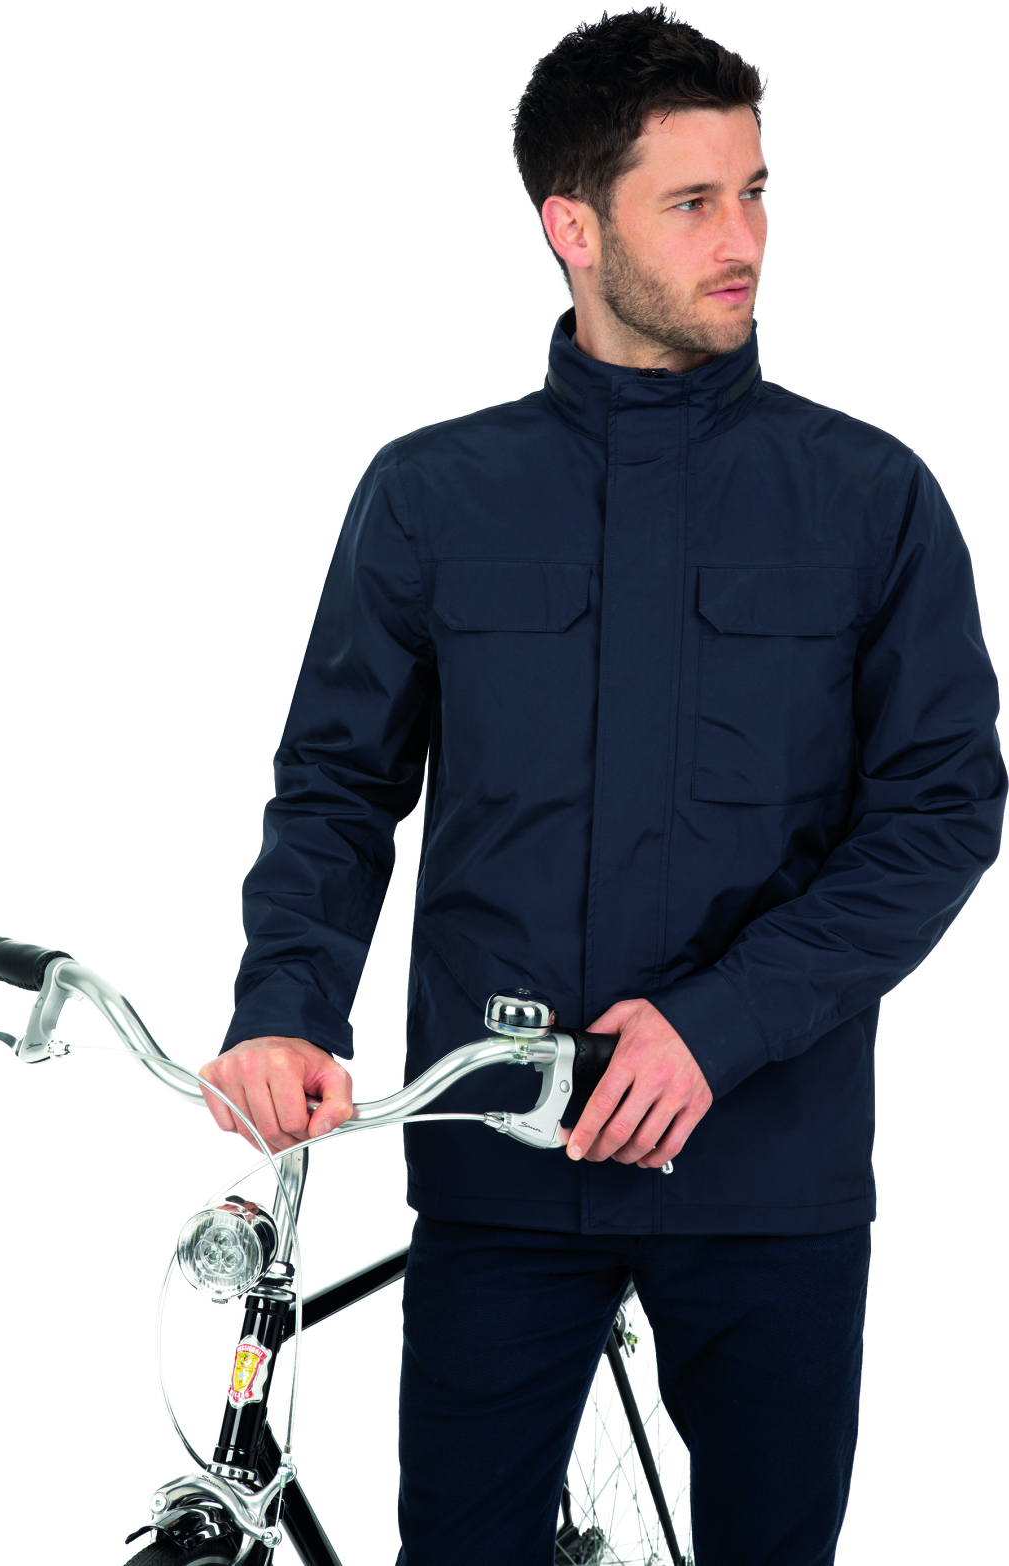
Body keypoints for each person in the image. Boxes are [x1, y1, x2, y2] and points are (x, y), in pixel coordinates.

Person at [199, 9, 1005, 1564]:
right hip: (501, 1167)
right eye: (691, 202)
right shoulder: (433, 493)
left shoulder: (867, 497)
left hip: (765, 1172)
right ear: (571, 227)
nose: (743, 240)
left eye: (754, 192)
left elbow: (937, 812)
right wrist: (288, 1002)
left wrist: (720, 1021)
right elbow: (337, 784)